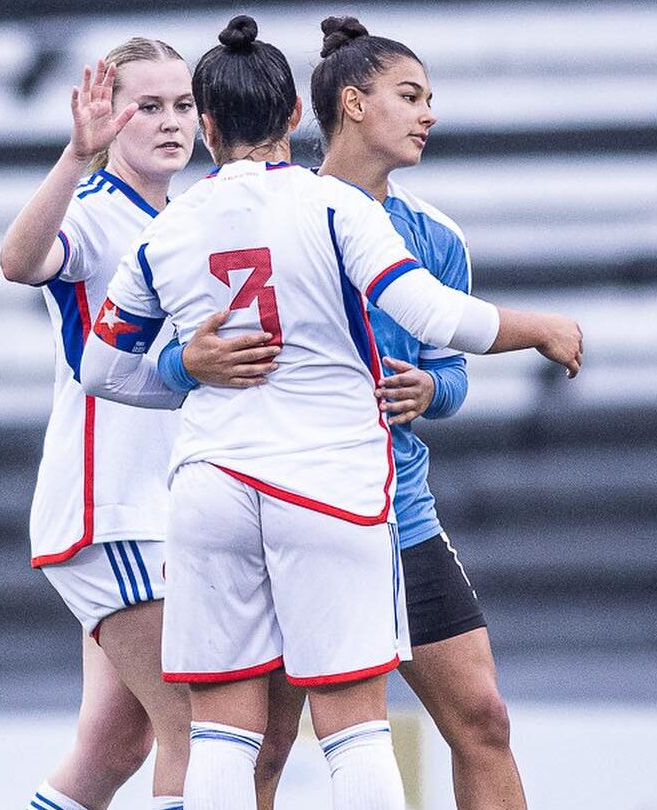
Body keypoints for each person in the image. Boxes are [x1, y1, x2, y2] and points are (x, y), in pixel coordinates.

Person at [78, 15, 582, 810]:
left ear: (204, 125)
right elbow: (437, 315)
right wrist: (546, 328)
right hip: (330, 491)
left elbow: (101, 368)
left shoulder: (167, 228)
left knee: (222, 736)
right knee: (352, 731)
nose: (427, 114)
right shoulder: (338, 211)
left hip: (216, 488)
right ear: (298, 118)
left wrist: (183, 364)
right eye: (411, 95)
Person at [0, 39, 199, 810]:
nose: (171, 121)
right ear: (107, 117)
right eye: (147, 106)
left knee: (118, 742)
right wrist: (75, 159)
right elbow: (19, 261)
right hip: (109, 511)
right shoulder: (95, 209)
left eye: (182, 104)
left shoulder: (188, 217)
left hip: (159, 508)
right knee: (195, 721)